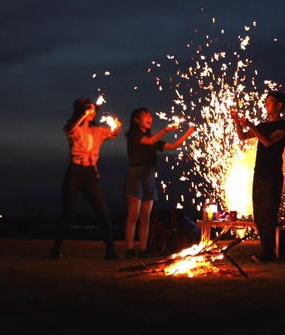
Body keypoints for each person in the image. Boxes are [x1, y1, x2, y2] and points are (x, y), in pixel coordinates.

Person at [49, 97, 122, 260]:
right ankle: (57, 248)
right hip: (74, 173)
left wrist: (118, 125)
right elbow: (70, 131)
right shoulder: (72, 128)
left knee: (102, 211)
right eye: (88, 109)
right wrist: (82, 115)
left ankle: (110, 250)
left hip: (91, 175)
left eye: (94, 109)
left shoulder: (97, 130)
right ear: (80, 110)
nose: (92, 112)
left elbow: (114, 133)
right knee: (68, 212)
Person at [123, 108, 195, 259]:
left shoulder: (153, 139)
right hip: (135, 175)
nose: (149, 117)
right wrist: (166, 129)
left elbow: (173, 146)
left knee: (145, 217)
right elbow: (148, 141)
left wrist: (188, 133)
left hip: (149, 176)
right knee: (133, 216)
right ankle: (129, 249)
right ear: (136, 120)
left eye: (150, 115)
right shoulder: (134, 136)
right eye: (145, 115)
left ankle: (143, 249)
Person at [231, 91, 285, 263]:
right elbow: (242, 137)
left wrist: (249, 123)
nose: (266, 104)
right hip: (260, 174)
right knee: (259, 213)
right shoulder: (262, 125)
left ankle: (269, 252)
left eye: (270, 102)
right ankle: (267, 250)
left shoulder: (284, 126)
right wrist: (237, 122)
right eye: (265, 102)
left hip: (272, 175)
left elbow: (267, 141)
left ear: (279, 106)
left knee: (268, 213)